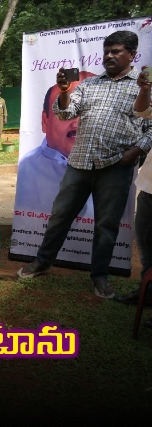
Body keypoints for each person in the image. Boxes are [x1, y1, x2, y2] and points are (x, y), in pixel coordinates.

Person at [17, 31, 152, 300]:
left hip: (116, 167)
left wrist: (137, 150)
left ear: (132, 55)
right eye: (107, 51)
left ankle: (99, 276)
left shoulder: (142, 86)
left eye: (116, 51)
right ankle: (43, 262)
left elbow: (149, 126)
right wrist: (65, 93)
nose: (110, 56)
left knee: (106, 225)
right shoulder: (89, 85)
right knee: (60, 216)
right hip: (79, 164)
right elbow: (65, 112)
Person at [14, 73, 95, 218]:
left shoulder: (116, 169)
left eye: (90, 112)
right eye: (67, 111)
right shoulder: (28, 169)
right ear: (45, 121)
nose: (78, 123)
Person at [115, 66, 152, 311]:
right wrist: (145, 89)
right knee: (147, 241)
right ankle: (147, 293)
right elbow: (141, 111)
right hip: (150, 185)